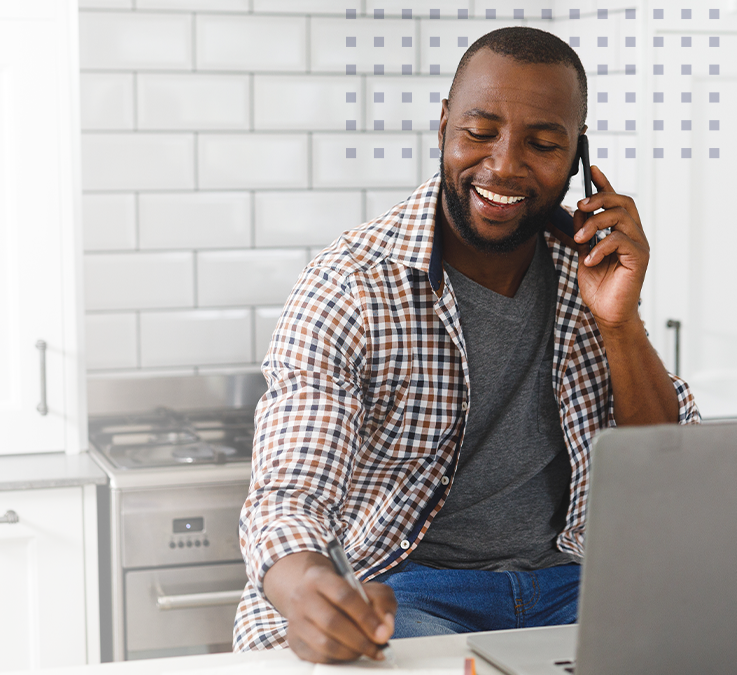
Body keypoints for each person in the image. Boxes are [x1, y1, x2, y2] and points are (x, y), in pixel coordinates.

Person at [233, 26, 700, 663]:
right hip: (407, 587)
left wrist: (621, 323)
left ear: (577, 159)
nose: (505, 165)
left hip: (575, 581)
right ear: (445, 127)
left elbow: (672, 473)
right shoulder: (352, 284)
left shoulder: (591, 270)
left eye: (542, 143)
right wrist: (311, 586)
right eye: (480, 132)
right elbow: (291, 495)